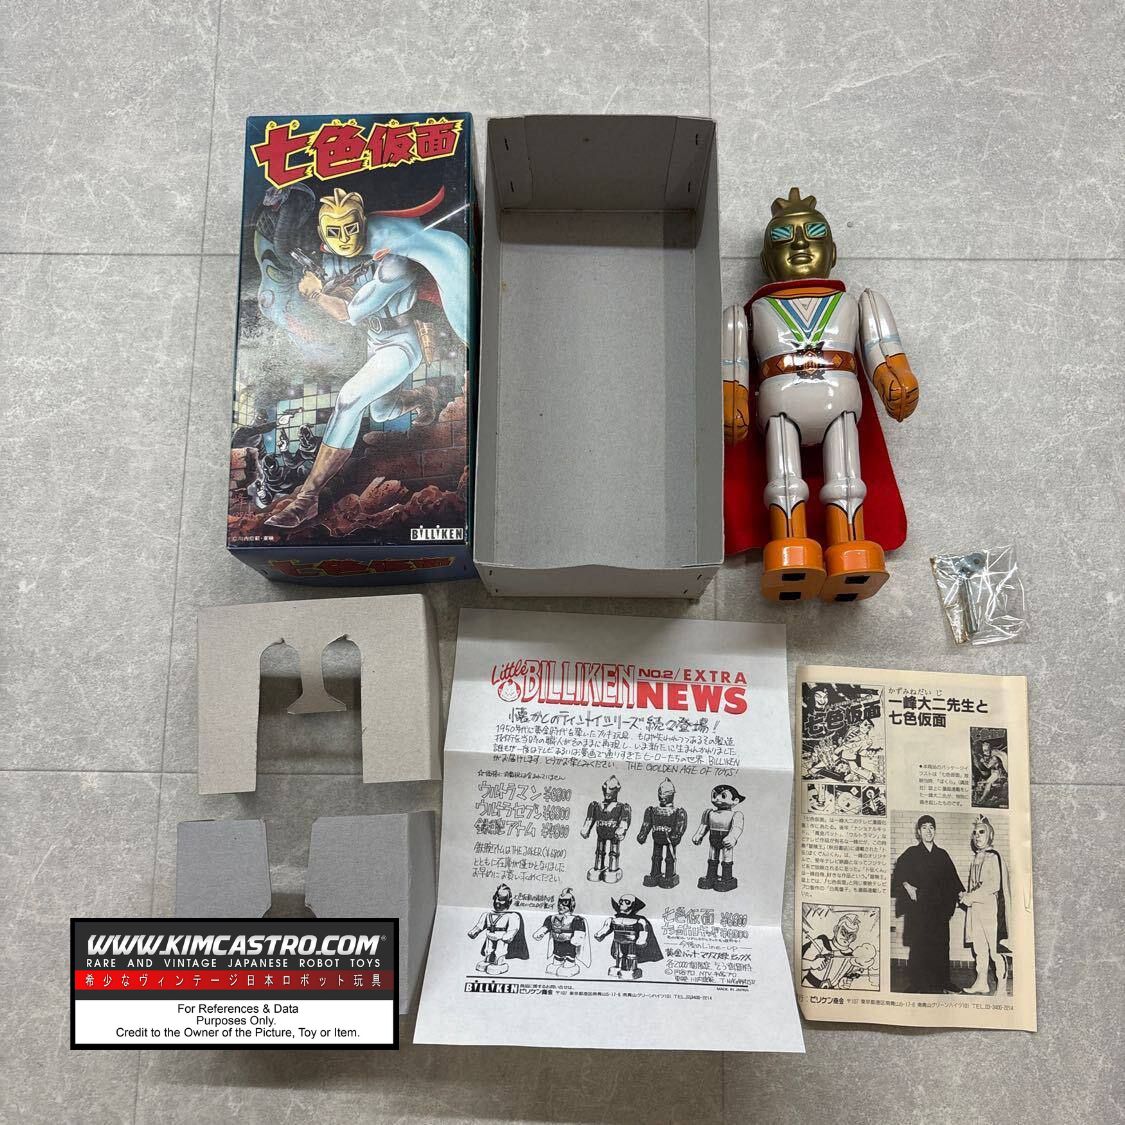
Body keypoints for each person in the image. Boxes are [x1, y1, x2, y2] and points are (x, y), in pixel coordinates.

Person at [891, 815, 964, 992]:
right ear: (918, 832)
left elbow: (953, 879)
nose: (928, 831)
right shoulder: (911, 853)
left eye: (931, 827)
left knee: (941, 945)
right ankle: (916, 983)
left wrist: (960, 892)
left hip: (939, 909)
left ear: (935, 830)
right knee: (919, 946)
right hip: (919, 909)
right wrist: (907, 886)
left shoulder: (942, 854)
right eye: (924, 827)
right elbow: (899, 873)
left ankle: (944, 981)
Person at [958, 815, 1012, 995]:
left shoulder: (994, 857)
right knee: (979, 949)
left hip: (990, 910)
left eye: (981, 832)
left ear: (989, 835)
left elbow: (994, 884)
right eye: (975, 833)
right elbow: (974, 885)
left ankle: (1002, 988)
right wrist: (966, 896)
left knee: (995, 949)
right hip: (977, 910)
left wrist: (971, 897)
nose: (977, 836)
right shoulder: (976, 858)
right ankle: (981, 983)